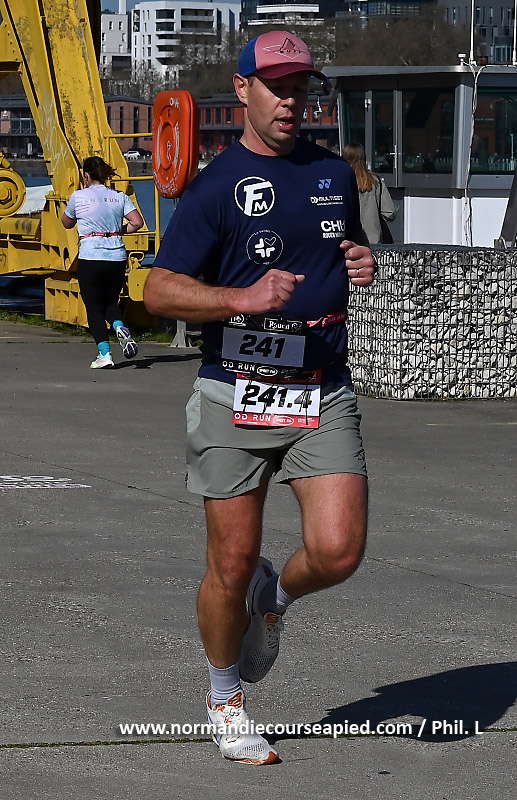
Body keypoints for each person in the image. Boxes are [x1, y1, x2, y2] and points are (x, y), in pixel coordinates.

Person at [144, 30, 376, 765]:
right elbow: (157, 290)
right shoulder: (216, 186)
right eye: (276, 86)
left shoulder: (333, 174)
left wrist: (362, 260)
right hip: (235, 392)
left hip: (319, 388)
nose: (290, 101)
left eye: (300, 88)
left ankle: (273, 601)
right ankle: (225, 698)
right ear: (243, 90)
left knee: (338, 551)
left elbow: (341, 249)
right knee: (231, 561)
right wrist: (239, 298)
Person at [61, 156, 144, 368]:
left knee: (94, 307)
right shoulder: (119, 196)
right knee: (110, 302)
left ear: (86, 176)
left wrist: (80, 196)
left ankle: (105, 354)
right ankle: (119, 326)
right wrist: (117, 231)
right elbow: (137, 222)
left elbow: (66, 223)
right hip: (117, 257)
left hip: (91, 255)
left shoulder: (79, 196)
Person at [342, 142, 396, 244]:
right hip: (373, 241)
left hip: (348, 241)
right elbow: (389, 212)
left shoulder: (341, 182)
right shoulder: (376, 182)